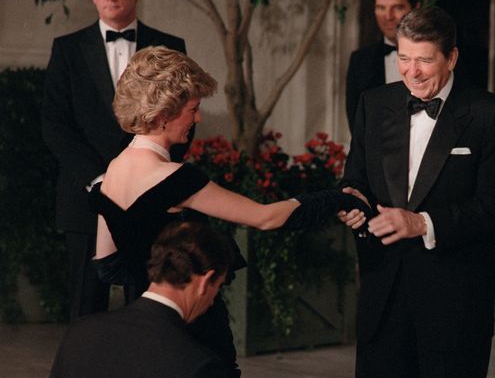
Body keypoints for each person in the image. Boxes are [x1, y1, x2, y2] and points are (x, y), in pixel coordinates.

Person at [88, 46, 367, 377]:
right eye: (193, 109)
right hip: (196, 328)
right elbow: (265, 217)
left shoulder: (112, 172)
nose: (198, 118)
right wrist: (340, 198)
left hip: (146, 327)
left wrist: (146, 279)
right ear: (163, 115)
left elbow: (106, 266)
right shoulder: (175, 178)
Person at [339, 6, 495, 378]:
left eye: (424, 60)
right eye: (404, 58)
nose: (412, 72)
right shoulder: (374, 103)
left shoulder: (488, 114)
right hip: (383, 295)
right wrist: (352, 204)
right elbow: (355, 177)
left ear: (451, 57)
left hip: (453, 304)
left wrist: (422, 223)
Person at [41, 0, 187, 321]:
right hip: (84, 199)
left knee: (150, 305)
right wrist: (100, 179)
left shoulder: (169, 47)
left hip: (150, 196)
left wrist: (152, 178)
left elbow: (184, 120)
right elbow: (55, 125)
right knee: (85, 309)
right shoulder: (68, 49)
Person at [49, 221, 233, 378]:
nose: (211, 302)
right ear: (205, 281)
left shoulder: (79, 333)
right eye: (217, 287)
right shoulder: (199, 365)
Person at [346, 0, 420, 131]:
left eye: (397, 7)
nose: (388, 16)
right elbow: (357, 127)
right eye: (381, 7)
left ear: (415, 9)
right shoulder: (360, 61)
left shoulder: (436, 58)